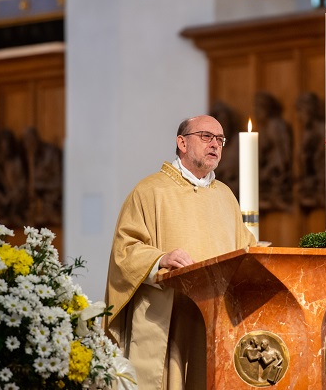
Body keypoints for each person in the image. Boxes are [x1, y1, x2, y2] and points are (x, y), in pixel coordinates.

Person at [104, 115, 256, 390]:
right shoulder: (150, 191)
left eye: (220, 140)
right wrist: (160, 259)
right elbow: (125, 250)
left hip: (215, 319)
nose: (215, 145)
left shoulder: (225, 196)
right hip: (169, 316)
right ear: (182, 142)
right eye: (206, 137)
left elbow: (245, 250)